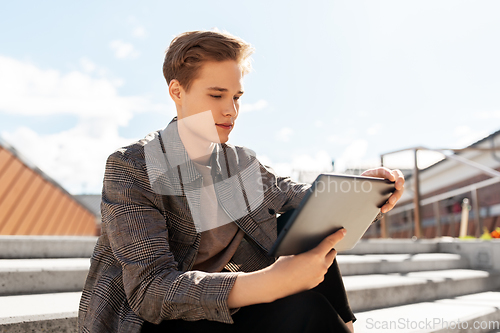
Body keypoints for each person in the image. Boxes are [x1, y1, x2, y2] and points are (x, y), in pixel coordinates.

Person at [78, 30, 405, 333]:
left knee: (306, 236)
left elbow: (304, 197)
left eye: (236, 97)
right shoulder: (133, 166)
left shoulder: (238, 162)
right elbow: (152, 291)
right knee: (303, 307)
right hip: (162, 320)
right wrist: (271, 282)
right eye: (217, 95)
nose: (231, 111)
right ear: (177, 92)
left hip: (235, 305)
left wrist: (366, 192)